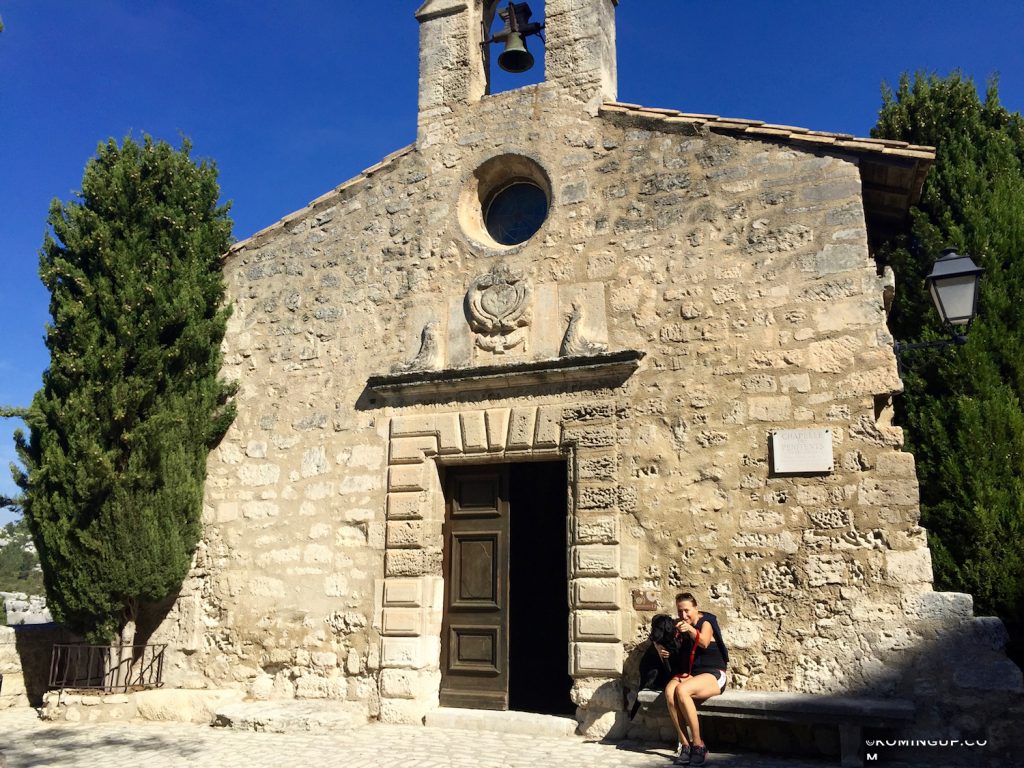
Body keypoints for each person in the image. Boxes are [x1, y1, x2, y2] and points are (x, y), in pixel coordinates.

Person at [655, 592, 729, 766]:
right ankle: (685, 745)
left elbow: (703, 642)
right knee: (670, 691)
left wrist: (690, 629)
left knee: (682, 690)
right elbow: (657, 638)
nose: (683, 615)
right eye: (680, 611)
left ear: (696, 608)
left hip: (714, 673)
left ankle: (699, 745)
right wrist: (661, 649)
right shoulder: (679, 625)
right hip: (692, 674)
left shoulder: (707, 622)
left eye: (687, 611)